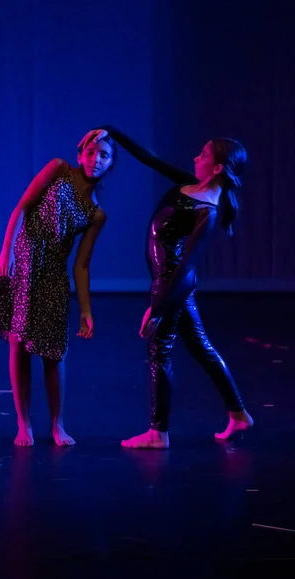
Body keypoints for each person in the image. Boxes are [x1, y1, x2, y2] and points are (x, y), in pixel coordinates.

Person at [79, 126, 254, 448]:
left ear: (217, 168)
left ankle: (157, 433)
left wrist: (158, 307)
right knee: (201, 347)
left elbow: (186, 267)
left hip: (171, 284)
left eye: (203, 155)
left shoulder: (207, 211)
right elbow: (149, 159)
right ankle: (239, 414)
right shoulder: (191, 184)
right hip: (172, 285)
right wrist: (113, 132)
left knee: (159, 352)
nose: (195, 157)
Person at [0, 132, 117, 447]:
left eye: (104, 156)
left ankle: (58, 425)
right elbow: (22, 207)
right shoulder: (58, 169)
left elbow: (81, 265)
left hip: (53, 274)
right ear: (81, 152)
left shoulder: (97, 213)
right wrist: (7, 251)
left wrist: (85, 310)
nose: (96, 159)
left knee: (53, 354)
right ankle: (23, 424)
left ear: (110, 163)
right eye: (92, 152)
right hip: (24, 262)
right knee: (18, 343)